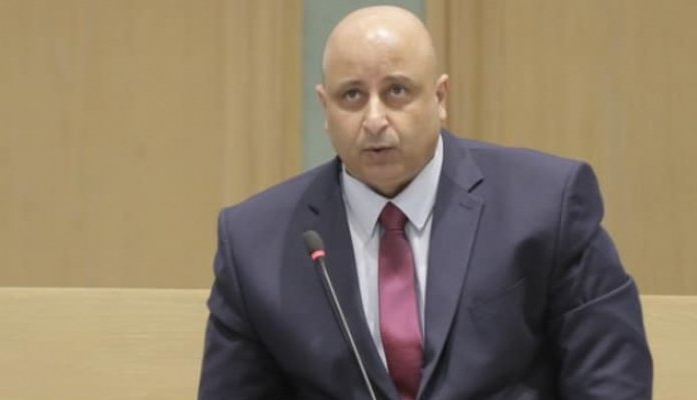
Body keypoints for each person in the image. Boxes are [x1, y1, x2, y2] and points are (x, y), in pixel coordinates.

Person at [198, 5, 652, 399]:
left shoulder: (546, 203)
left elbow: (612, 379)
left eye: (396, 91)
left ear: (439, 98)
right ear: (326, 109)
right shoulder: (255, 243)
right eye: (352, 95)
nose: (374, 119)